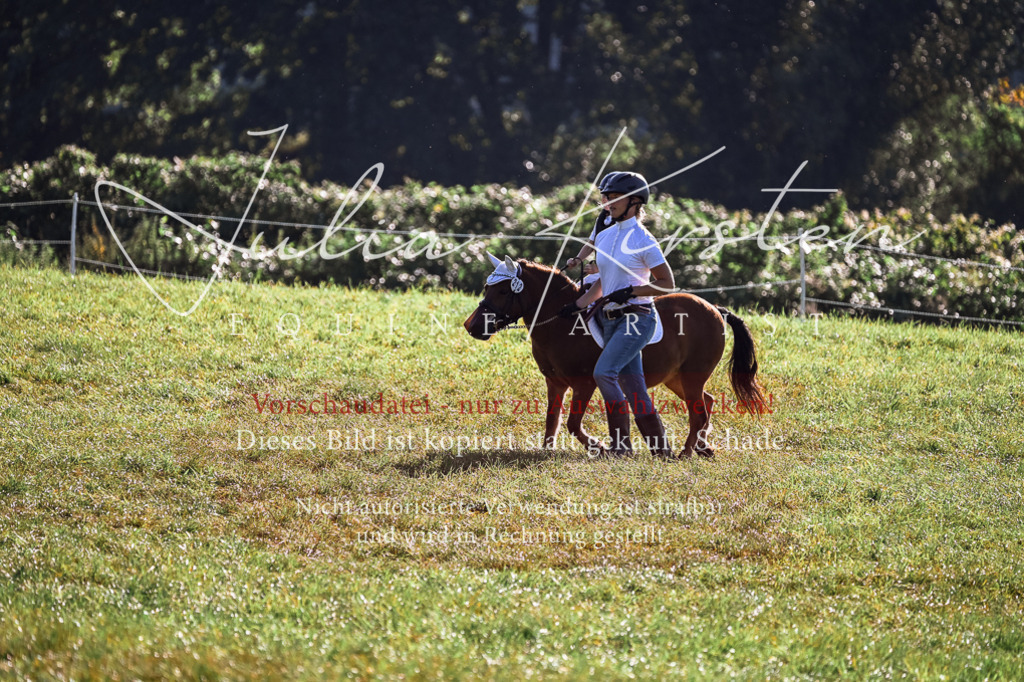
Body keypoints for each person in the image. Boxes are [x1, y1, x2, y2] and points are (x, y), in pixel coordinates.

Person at [560, 171, 675, 458]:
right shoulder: (607, 235)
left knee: (603, 372)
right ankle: (663, 454)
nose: (607, 203)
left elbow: (667, 284)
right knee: (635, 389)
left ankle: (621, 449)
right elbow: (604, 282)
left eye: (613, 198)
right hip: (610, 320)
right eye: (605, 197)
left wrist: (633, 292)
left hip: (637, 318)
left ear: (635, 202)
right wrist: (577, 305)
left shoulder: (643, 239)